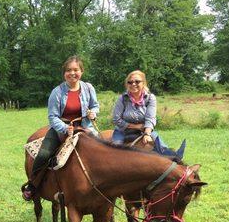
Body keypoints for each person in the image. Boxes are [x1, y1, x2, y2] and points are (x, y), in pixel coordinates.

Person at [22, 55, 100, 201]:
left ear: (81, 71)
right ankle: (32, 185)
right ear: (64, 73)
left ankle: (103, 185)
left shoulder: (89, 88)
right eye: (69, 70)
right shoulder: (57, 92)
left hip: (85, 128)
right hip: (61, 128)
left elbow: (95, 105)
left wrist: (93, 112)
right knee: (44, 154)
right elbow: (52, 117)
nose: (72, 73)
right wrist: (65, 128)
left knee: (103, 150)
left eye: (76, 70)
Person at [112, 70, 171, 154]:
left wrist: (147, 134)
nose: (133, 84)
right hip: (122, 131)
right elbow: (116, 119)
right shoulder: (122, 98)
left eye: (137, 81)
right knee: (116, 152)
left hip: (144, 130)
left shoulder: (150, 98)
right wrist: (136, 126)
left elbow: (150, 118)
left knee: (164, 149)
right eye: (130, 82)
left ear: (143, 83)